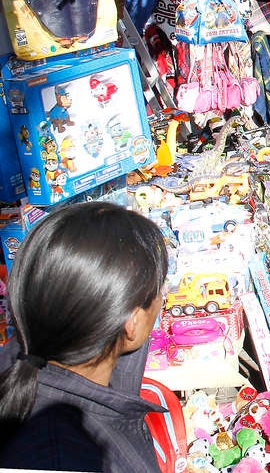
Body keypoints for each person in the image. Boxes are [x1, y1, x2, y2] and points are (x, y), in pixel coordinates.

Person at [0, 202, 169, 472]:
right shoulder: (66, 456)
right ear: (132, 322)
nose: (162, 299)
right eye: (161, 290)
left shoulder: (22, 365)